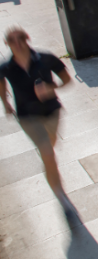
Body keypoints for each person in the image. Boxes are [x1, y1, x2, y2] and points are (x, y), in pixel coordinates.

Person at [0, 26, 78, 224]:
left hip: (52, 112)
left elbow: (68, 81)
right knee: (48, 153)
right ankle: (63, 200)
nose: (16, 43)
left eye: (20, 38)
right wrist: (6, 102)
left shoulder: (46, 58)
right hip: (28, 117)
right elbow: (1, 83)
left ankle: (50, 168)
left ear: (27, 38)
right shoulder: (5, 67)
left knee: (49, 149)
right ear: (6, 43)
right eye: (11, 40)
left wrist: (52, 88)